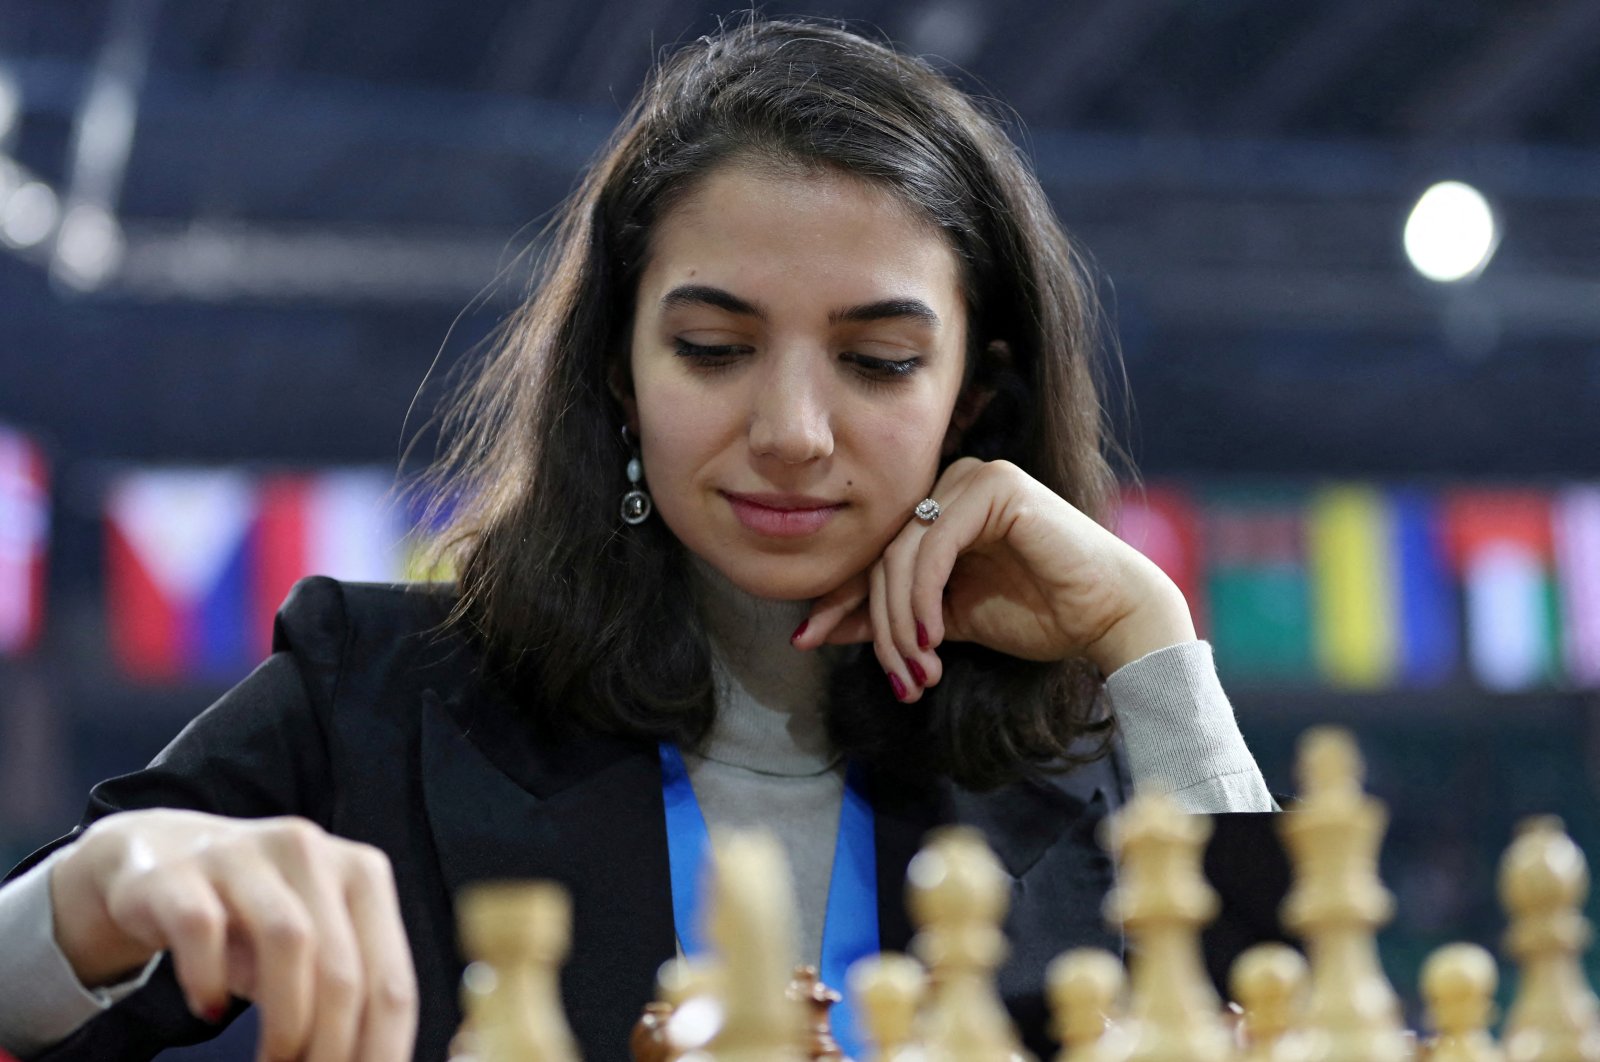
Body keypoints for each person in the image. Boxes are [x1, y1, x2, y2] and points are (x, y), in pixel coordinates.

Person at [0, 16, 1281, 1062]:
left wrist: (1147, 639)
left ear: (975, 394)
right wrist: (103, 886)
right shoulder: (377, 692)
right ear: (617, 372)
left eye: (878, 361)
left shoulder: (1083, 751)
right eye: (712, 350)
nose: (790, 429)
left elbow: (1287, 1019)